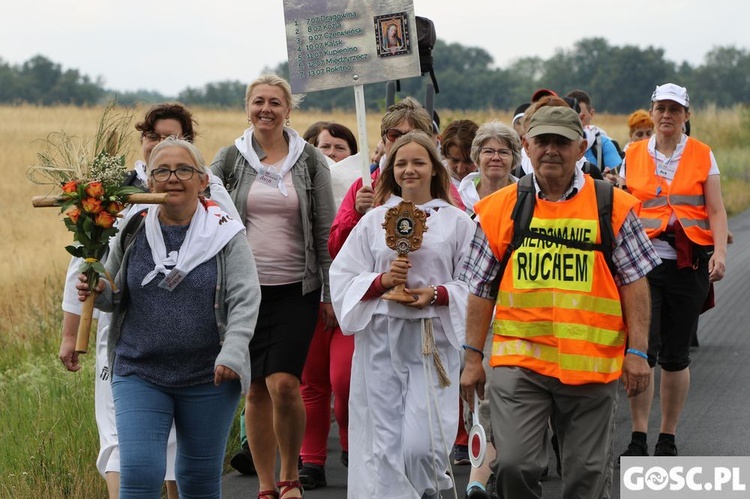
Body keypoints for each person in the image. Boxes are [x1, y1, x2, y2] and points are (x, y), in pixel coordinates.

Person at [460, 105, 660, 499]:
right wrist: (471, 359)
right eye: (542, 141)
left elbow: (635, 283)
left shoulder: (612, 205)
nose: (551, 150)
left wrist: (637, 351)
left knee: (586, 475)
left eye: (561, 142)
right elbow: (481, 288)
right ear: (526, 146)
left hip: (591, 367)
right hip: (521, 363)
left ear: (581, 146)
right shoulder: (500, 208)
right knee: (514, 465)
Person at [76, 137, 260, 498]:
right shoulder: (132, 230)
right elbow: (113, 295)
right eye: (162, 171)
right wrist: (97, 291)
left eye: (183, 170)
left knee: (197, 478)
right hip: (139, 370)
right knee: (140, 472)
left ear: (203, 180)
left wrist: (234, 351)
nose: (172, 178)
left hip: (210, 374)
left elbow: (245, 298)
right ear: (150, 181)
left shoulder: (226, 234)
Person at [59, 102, 201, 499]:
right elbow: (84, 266)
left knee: (179, 437)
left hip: (188, 332)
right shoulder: (111, 193)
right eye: (152, 136)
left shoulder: (207, 189)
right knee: (119, 435)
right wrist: (70, 335)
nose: (158, 144)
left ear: (187, 142)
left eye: (171, 137)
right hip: (121, 332)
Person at [330, 131, 475, 499]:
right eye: (401, 163)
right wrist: (381, 281)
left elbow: (477, 282)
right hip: (381, 338)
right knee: (384, 445)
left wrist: (438, 294)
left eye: (418, 162)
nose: (409, 170)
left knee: (421, 446)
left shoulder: (457, 222)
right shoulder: (373, 220)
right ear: (390, 170)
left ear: (434, 168)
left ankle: (428, 486)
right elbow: (343, 275)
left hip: (432, 340)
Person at [210, 74, 335, 499]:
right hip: (243, 292)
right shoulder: (229, 159)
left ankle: (290, 475)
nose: (266, 109)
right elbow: (203, 209)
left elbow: (324, 232)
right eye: (259, 101)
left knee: (284, 383)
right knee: (255, 389)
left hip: (295, 290)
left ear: (288, 110)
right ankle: (266, 484)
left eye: (275, 102)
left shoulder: (310, 160)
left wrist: (330, 294)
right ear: (247, 108)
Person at [618, 83, 728, 459]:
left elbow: (715, 209)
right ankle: (637, 437)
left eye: (674, 109)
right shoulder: (631, 153)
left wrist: (720, 252)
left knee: (676, 355)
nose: (667, 115)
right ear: (652, 111)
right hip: (642, 267)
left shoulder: (702, 154)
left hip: (688, 263)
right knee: (641, 352)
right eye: (661, 108)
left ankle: (667, 436)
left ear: (686, 114)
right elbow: (620, 209)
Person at [457, 121, 520, 499]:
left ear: (514, 157)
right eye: (488, 151)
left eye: (504, 151)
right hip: (461, 312)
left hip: (510, 315)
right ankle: (490, 469)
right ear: (475, 156)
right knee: (473, 400)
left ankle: (480, 478)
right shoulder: (455, 199)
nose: (495, 157)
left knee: (496, 396)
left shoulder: (526, 198)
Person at [297, 121, 358, 490]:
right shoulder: (298, 188)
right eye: (325, 147)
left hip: (350, 300)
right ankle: (312, 460)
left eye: (340, 147)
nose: (332, 154)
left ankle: (351, 444)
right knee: (312, 383)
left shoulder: (364, 190)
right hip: (308, 296)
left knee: (346, 380)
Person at [565, 89, 623, 172]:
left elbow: (618, 174)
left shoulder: (603, 144)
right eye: (571, 118)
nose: (576, 123)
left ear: (591, 114)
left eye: (581, 117)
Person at [441, 119, 479, 189]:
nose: (460, 170)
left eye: (468, 162)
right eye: (454, 161)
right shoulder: (433, 182)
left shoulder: (490, 181)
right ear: (445, 156)